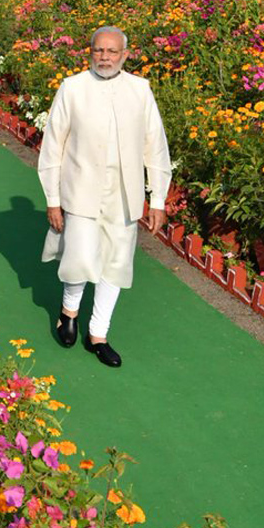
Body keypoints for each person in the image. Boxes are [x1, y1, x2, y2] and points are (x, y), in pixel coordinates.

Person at [36, 26, 171, 368]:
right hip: (80, 188)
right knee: (79, 258)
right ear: (90, 52)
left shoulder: (140, 90)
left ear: (125, 55)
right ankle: (69, 313)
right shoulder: (73, 88)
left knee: (116, 263)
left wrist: (157, 200)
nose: (106, 58)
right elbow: (53, 147)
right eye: (99, 51)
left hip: (124, 194)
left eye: (113, 52)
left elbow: (155, 147)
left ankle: (99, 334)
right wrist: (53, 199)